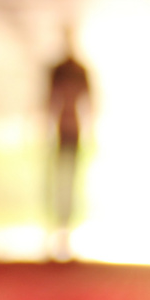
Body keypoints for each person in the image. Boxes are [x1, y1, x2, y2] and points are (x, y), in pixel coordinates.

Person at [45, 32, 92, 260]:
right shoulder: (58, 71)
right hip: (61, 132)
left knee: (72, 181)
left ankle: (69, 229)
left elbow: (89, 102)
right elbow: (50, 100)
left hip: (74, 132)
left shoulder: (79, 71)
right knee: (58, 183)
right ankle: (57, 228)